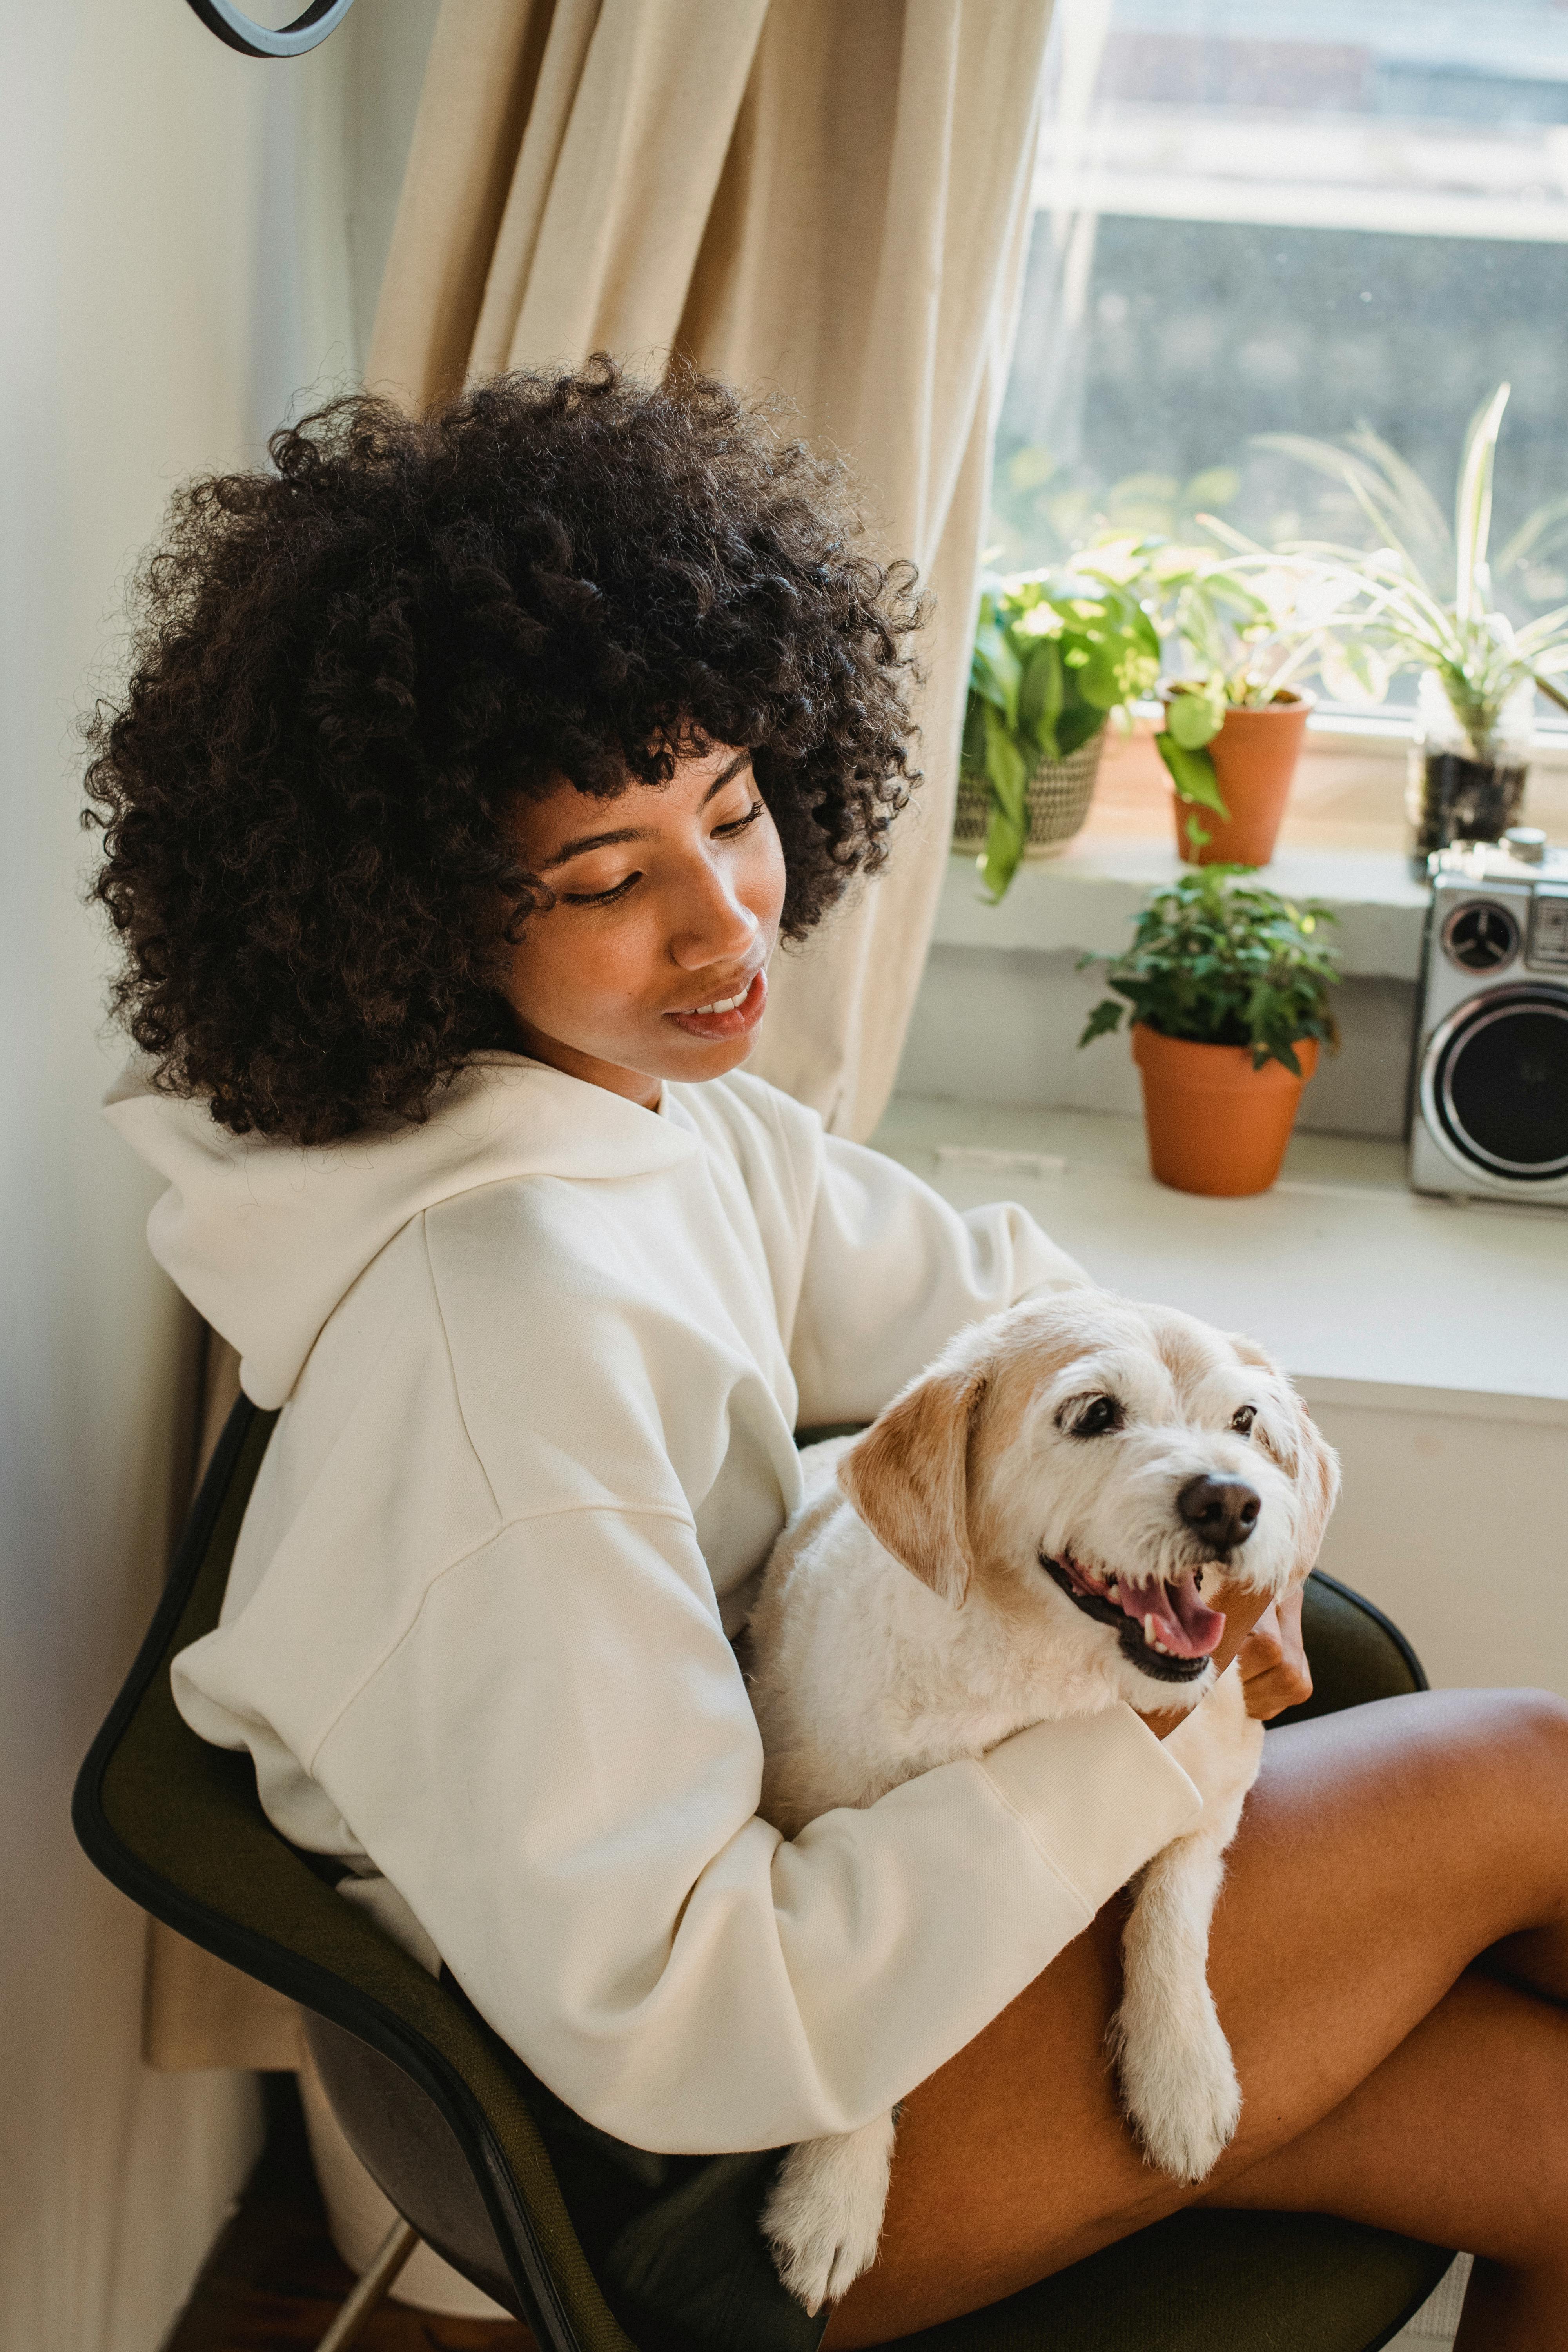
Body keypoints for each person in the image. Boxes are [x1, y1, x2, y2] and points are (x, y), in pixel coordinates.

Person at [88, 362, 1568, 2352]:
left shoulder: (643, 1115)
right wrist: (1145, 1737)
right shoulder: (496, 1348)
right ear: (408, 918)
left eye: (732, 815)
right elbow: (684, 2014)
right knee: (1532, 1783)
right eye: (608, 881)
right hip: (711, 2142)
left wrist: (1206, 1483)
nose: (725, 933)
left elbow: (994, 1299)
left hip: (860, 1964)